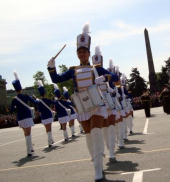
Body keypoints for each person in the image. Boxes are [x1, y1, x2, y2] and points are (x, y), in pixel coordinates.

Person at [47, 23, 118, 182]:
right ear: (77, 53)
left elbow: (116, 78)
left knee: (96, 132)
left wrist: (105, 78)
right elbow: (56, 79)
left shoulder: (97, 68)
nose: (82, 54)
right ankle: (96, 164)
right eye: (79, 51)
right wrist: (51, 68)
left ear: (88, 52)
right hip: (82, 106)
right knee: (88, 135)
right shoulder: (73, 70)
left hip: (98, 104)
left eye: (84, 51)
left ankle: (98, 173)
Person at [92, 49, 118, 163]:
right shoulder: (102, 70)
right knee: (109, 126)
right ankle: (111, 152)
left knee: (103, 128)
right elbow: (115, 78)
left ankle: (107, 151)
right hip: (105, 100)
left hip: (96, 101)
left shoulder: (89, 71)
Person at [10, 71, 35, 156]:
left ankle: (31, 147)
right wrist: (37, 100)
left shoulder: (14, 99)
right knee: (28, 133)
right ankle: (29, 150)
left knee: (26, 133)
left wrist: (16, 107)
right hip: (27, 116)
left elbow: (11, 110)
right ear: (21, 89)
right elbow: (34, 102)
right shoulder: (26, 96)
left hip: (20, 118)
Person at [36, 80, 55, 147]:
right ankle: (49, 142)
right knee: (49, 129)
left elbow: (39, 110)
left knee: (47, 129)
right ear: (45, 94)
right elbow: (54, 103)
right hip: (49, 116)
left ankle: (51, 140)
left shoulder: (39, 102)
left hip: (43, 116)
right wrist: (54, 98)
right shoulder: (48, 100)